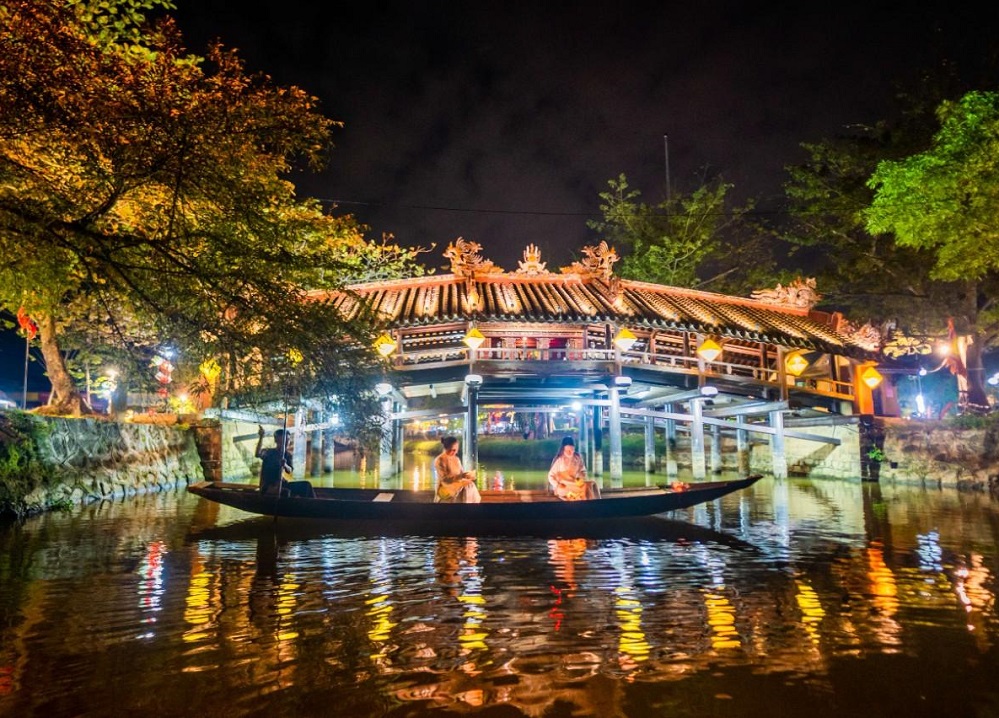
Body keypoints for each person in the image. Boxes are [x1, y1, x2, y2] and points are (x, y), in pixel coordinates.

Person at [256, 425, 315, 498]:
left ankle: (310, 505)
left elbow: (289, 470)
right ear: (276, 440)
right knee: (286, 492)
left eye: (288, 440)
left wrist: (285, 465)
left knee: (306, 485)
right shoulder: (269, 452)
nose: (287, 442)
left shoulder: (287, 454)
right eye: (284, 440)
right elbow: (257, 454)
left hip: (282, 484)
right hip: (267, 486)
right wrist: (261, 436)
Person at [548, 436, 601, 500]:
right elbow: (550, 475)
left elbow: (583, 471)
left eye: (572, 450)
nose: (570, 452)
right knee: (586, 488)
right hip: (564, 486)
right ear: (563, 449)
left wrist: (580, 477)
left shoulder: (577, 458)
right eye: (568, 450)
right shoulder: (559, 460)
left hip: (574, 483)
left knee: (592, 484)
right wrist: (557, 484)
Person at [433, 436, 481, 503]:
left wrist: (468, 475)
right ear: (445, 448)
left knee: (470, 484)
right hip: (445, 486)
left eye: (456, 450)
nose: (454, 452)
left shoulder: (457, 459)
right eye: (452, 450)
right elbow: (445, 479)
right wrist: (461, 476)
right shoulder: (439, 460)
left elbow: (461, 473)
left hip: (458, 483)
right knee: (466, 487)